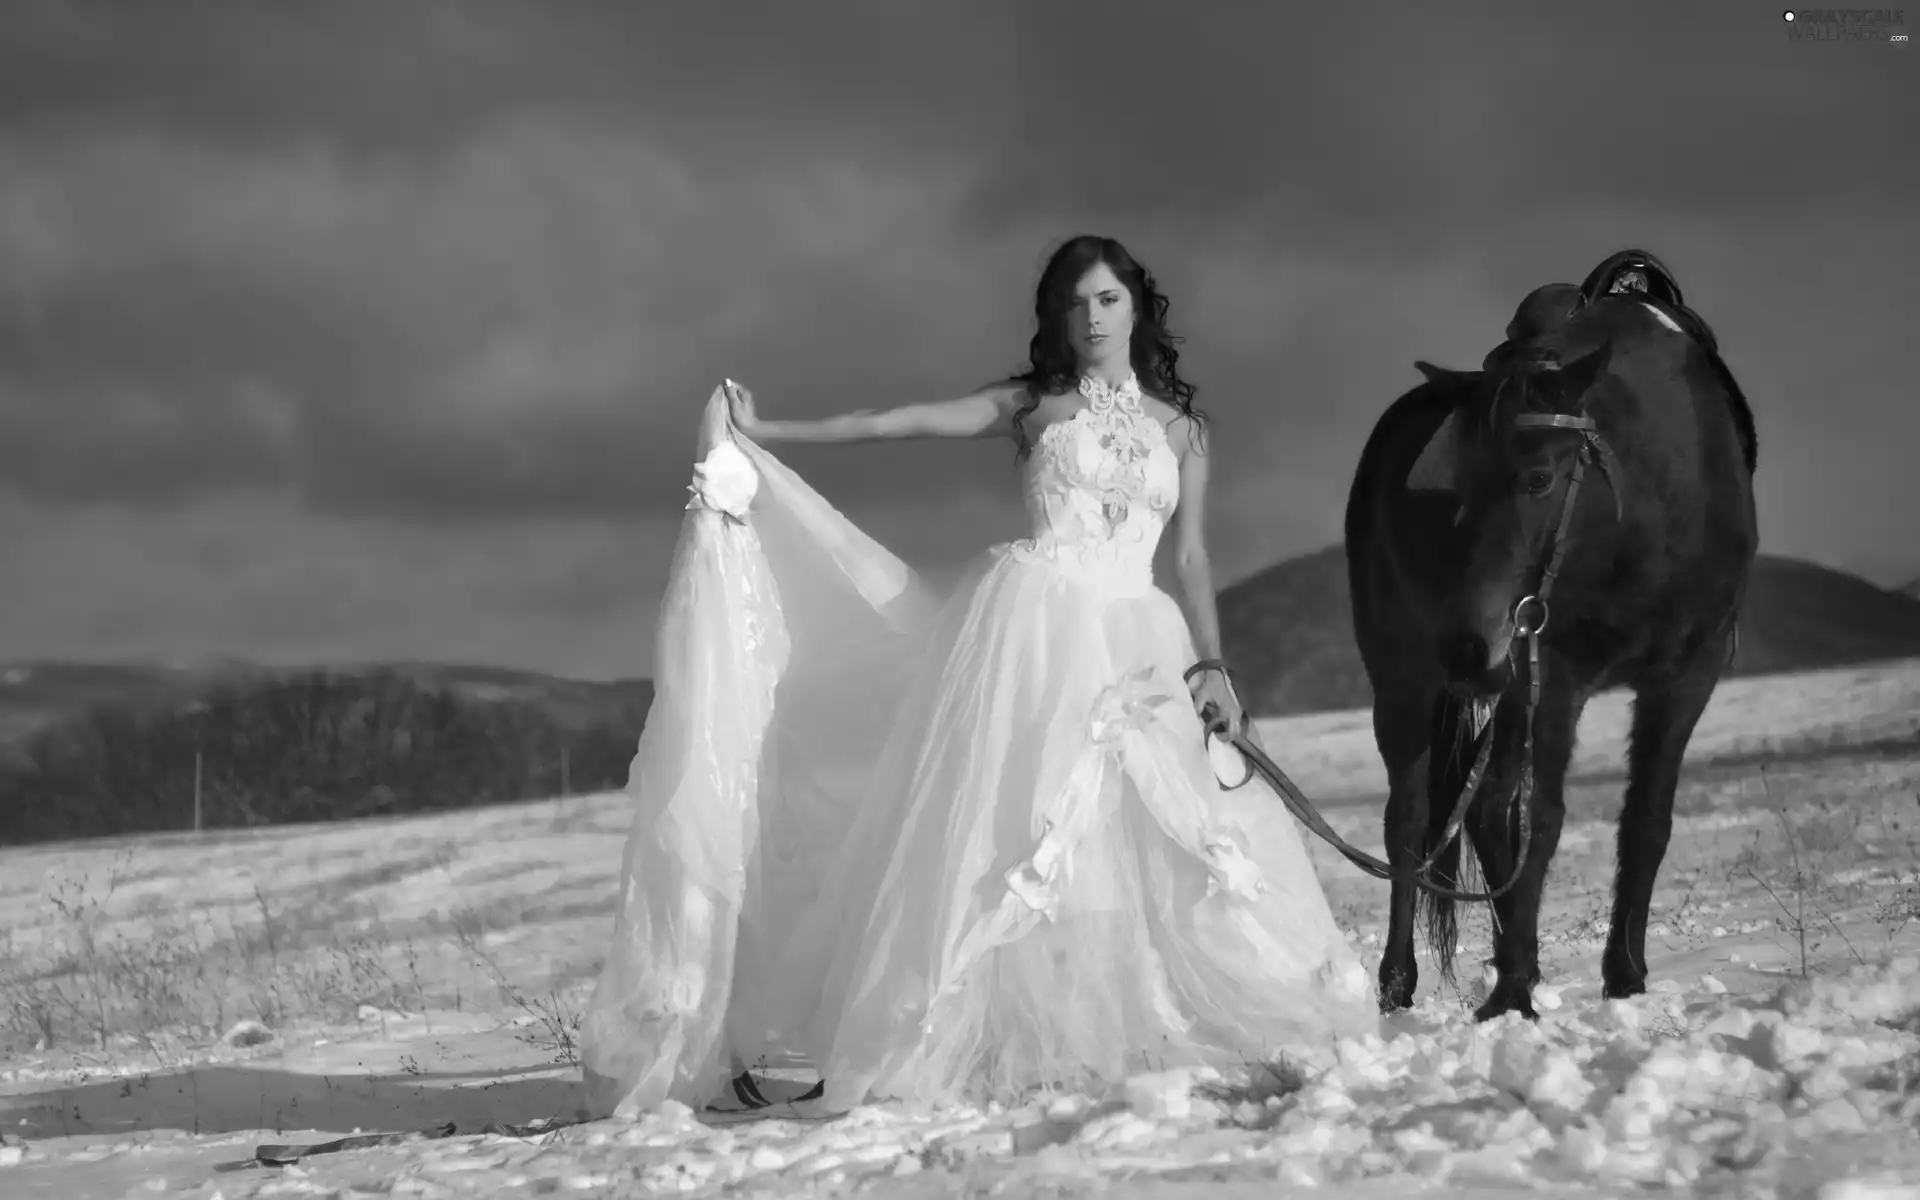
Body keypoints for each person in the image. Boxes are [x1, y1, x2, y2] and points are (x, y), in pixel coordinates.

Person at [579, 234, 1377, 1122]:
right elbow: (901, 421)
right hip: (1036, 630)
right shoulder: (1033, 404)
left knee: (1170, 833)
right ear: (1056, 320)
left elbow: (1189, 557)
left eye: (1107, 300)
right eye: (1073, 305)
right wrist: (772, 432)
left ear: (1137, 308)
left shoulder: (1183, 432)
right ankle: (997, 1031)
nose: (1090, 319)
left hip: (1142, 633)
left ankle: (1145, 1016)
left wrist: (1214, 668)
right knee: (1022, 825)